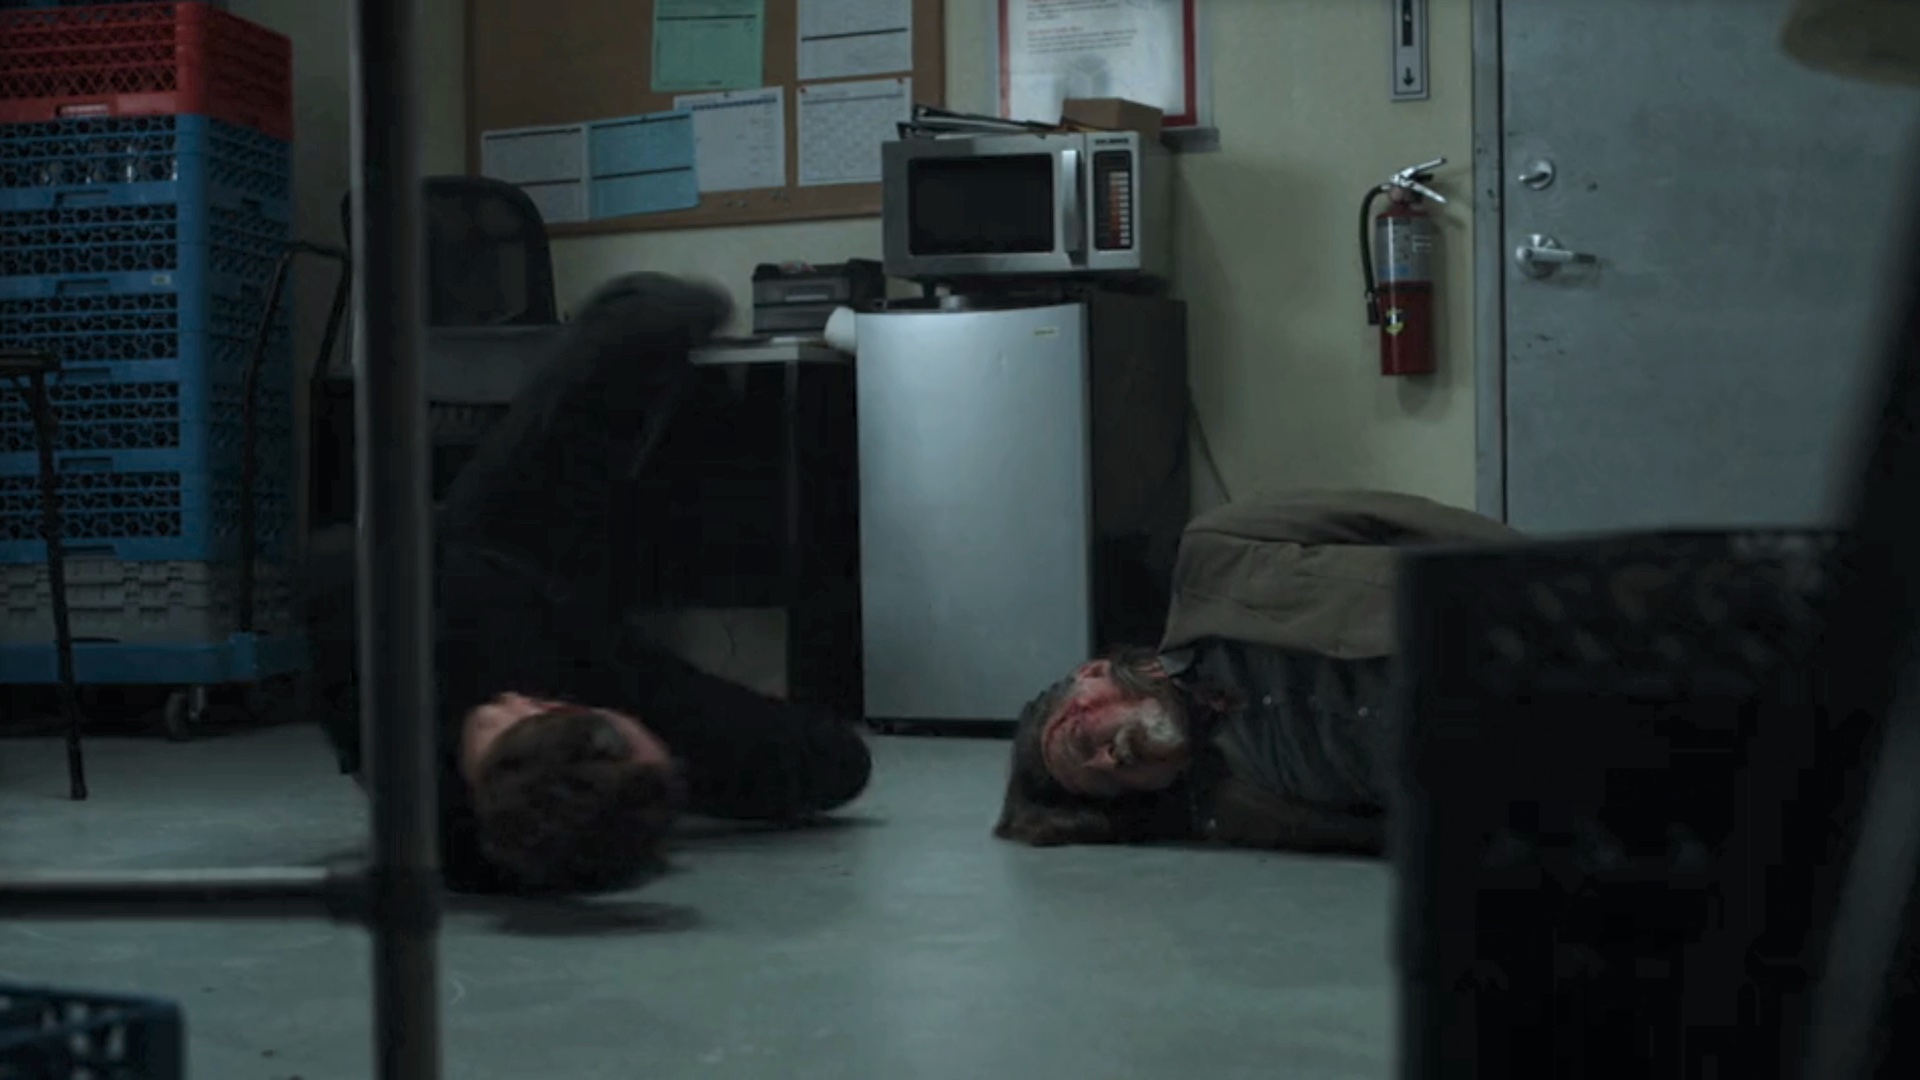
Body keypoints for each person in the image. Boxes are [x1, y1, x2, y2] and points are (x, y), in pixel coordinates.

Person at [304, 272, 873, 896]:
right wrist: (641, 800)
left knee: (648, 324)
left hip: (491, 567)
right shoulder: (544, 810)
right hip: (593, 657)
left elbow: (335, 567)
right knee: (836, 765)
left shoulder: (416, 675)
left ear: (547, 709)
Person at [993, 489, 1519, 854]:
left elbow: (1398, 520)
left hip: (1516, 629)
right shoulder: (1243, 814)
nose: (1110, 759)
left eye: (1084, 739)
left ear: (1094, 671)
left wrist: (1538, 575)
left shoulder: (1218, 553)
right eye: (1107, 782)